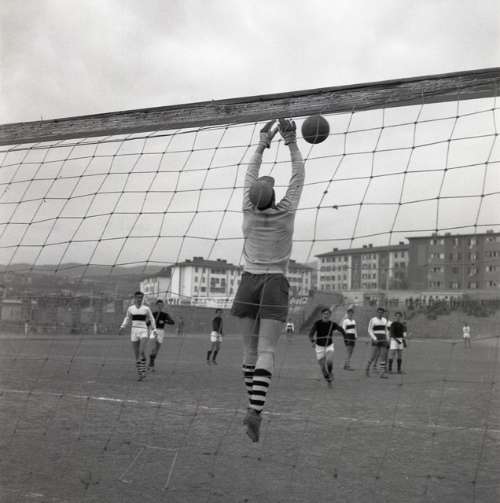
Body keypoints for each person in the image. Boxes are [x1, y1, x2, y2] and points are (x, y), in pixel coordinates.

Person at [231, 118, 305, 442]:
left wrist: (262, 142)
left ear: (252, 197)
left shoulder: (248, 212)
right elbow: (299, 176)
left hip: (248, 282)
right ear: (274, 196)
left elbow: (249, 173)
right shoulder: (285, 212)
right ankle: (255, 410)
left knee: (249, 351)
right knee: (267, 350)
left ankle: (252, 406)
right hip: (274, 282)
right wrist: (291, 141)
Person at [119, 291, 156, 381]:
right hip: (134, 331)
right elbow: (127, 318)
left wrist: (154, 329)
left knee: (141, 351)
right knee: (137, 355)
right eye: (138, 297)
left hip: (143, 330)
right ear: (135, 298)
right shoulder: (131, 308)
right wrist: (122, 327)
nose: (139, 299)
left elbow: (152, 318)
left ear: (142, 298)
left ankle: (143, 371)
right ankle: (141, 374)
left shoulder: (146, 308)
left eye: (141, 298)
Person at [308, 308, 346, 385]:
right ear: (322, 315)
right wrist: (313, 341)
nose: (326, 315)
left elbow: (341, 329)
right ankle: (328, 380)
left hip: (329, 346)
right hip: (319, 347)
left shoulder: (332, 324)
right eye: (324, 314)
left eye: (328, 314)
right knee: (323, 368)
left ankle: (330, 372)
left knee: (329, 360)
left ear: (330, 315)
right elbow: (310, 334)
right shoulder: (317, 323)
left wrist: (345, 337)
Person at [148, 299, 175, 371]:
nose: (160, 306)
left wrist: (164, 321)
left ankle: (151, 364)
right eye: (159, 305)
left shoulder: (165, 315)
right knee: (153, 348)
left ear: (163, 306)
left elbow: (172, 322)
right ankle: (152, 365)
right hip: (154, 331)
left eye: (161, 305)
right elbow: (148, 323)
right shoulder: (153, 314)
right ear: (156, 305)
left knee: (156, 350)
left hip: (161, 332)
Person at [365, 307, 389, 378]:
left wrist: (387, 338)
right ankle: (367, 368)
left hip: (383, 339)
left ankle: (382, 373)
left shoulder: (384, 320)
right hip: (376, 339)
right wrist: (374, 338)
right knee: (373, 356)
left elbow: (386, 330)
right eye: (379, 312)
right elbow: (369, 330)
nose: (380, 313)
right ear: (377, 312)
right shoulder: (373, 320)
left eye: (381, 312)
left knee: (383, 356)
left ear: (383, 313)